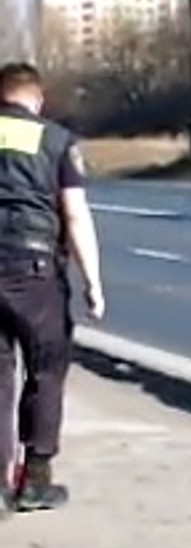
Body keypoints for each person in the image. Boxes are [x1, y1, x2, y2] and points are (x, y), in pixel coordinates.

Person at [0, 61, 106, 513]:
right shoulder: (56, 141)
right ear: (37, 99)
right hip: (35, 268)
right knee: (45, 369)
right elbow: (76, 214)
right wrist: (93, 282)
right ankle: (35, 479)